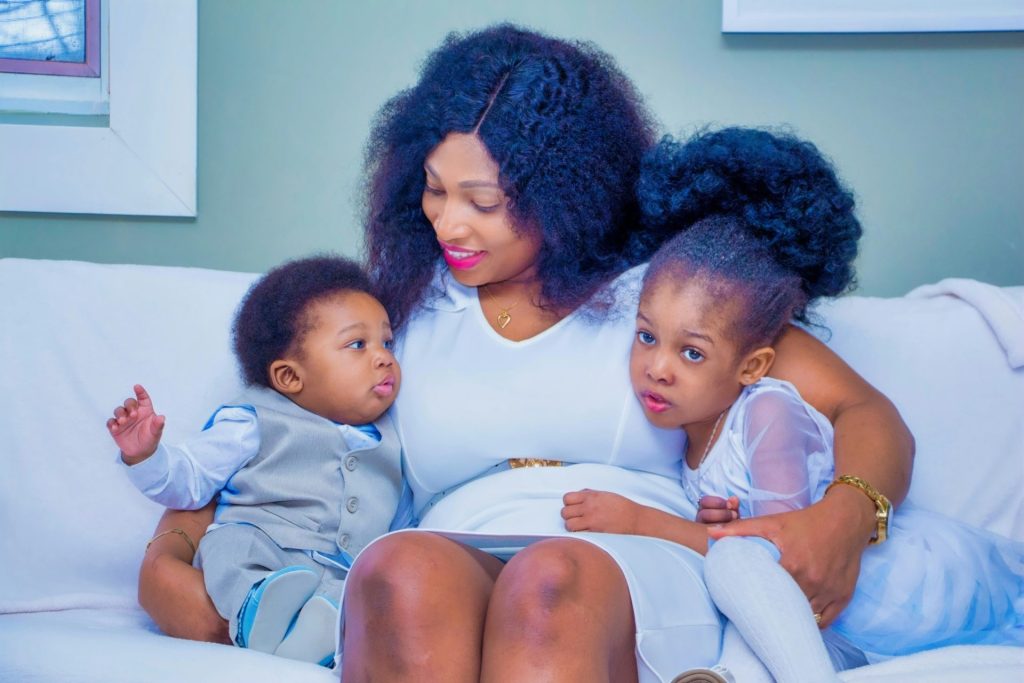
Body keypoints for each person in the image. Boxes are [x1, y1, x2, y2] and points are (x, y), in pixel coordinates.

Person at [137, 25, 915, 682]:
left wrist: (848, 515)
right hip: (453, 550)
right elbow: (275, 426)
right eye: (434, 190)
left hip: (630, 561)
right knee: (396, 569)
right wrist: (169, 552)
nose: (448, 224)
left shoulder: (667, 298)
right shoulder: (397, 310)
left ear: (565, 192)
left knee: (547, 578)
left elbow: (864, 410)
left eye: (482, 202)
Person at [562, 129, 1024, 683]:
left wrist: (640, 521)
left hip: (904, 587)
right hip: (832, 619)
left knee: (736, 567)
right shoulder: (698, 393)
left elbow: (779, 548)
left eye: (690, 351)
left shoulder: (767, 405)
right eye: (646, 338)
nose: (659, 367)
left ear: (752, 361)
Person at [108, 256, 406, 666]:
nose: (383, 357)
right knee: (230, 547)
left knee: (360, 595)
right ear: (289, 377)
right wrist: (145, 455)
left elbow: (401, 523)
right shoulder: (253, 419)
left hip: (337, 571)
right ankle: (256, 611)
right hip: (264, 546)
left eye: (387, 343)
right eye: (358, 344)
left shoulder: (395, 439)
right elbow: (190, 481)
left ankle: (313, 640)